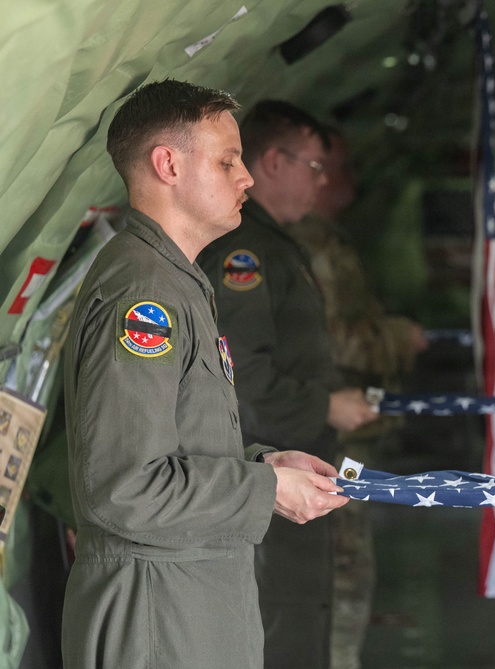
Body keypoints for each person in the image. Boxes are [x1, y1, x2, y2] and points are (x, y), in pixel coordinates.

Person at [61, 79, 349, 669]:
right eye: (227, 161)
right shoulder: (144, 296)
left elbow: (178, 445)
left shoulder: (176, 280)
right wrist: (267, 490)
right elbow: (126, 488)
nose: (246, 178)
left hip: (188, 604)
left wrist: (265, 464)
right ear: (167, 165)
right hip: (157, 616)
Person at [198, 101, 377, 668]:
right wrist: (324, 406)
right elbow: (241, 378)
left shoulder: (274, 243)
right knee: (281, 622)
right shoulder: (245, 254)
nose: (321, 182)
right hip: (266, 474)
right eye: (314, 167)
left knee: (301, 614)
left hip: (292, 467)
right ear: (275, 162)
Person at [290, 128, 427, 668]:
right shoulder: (310, 245)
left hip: (340, 427)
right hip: (327, 431)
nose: (349, 180)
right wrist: (395, 337)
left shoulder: (325, 239)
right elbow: (338, 338)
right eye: (334, 168)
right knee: (342, 568)